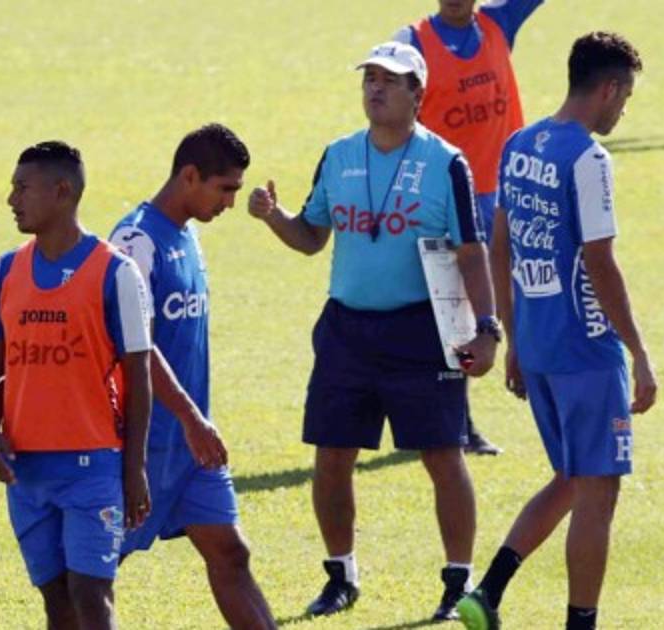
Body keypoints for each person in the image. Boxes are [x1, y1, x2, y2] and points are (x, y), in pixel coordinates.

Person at [247, 42, 501, 621]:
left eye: (390, 80)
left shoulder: (446, 163)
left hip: (421, 330)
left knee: (443, 455)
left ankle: (457, 581)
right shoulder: (338, 156)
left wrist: (487, 328)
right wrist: (273, 217)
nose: (376, 89)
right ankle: (341, 576)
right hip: (347, 331)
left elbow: (471, 251)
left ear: (418, 94)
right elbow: (312, 237)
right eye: (370, 79)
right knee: (332, 455)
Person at [456, 31, 654, 630]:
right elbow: (600, 263)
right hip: (585, 351)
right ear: (609, 88)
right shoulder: (589, 160)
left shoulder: (518, 144)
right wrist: (639, 352)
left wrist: (513, 337)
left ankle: (487, 593)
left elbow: (500, 246)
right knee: (598, 492)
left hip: (539, 347)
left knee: (571, 477)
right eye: (625, 98)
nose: (623, 111)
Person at [0, 141, 153, 630]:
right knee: (56, 601)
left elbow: (139, 376)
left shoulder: (116, 273)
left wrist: (134, 467)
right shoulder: (5, 271)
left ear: (62, 192)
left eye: (22, 188)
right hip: (25, 470)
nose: (11, 200)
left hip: (93, 466)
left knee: (91, 595)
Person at [110, 124, 276, 629]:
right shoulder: (135, 241)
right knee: (95, 572)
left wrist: (193, 423)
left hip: (191, 445)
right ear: (189, 176)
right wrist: (189, 417)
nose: (230, 203)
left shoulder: (188, 233)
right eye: (224, 188)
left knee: (230, 552)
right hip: (143, 442)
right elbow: (136, 348)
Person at [393, 0, 548, 456]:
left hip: (505, 200)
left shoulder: (499, 23)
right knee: (454, 318)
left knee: (520, 299)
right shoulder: (413, 43)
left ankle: (536, 389)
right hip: (448, 202)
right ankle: (457, 421)